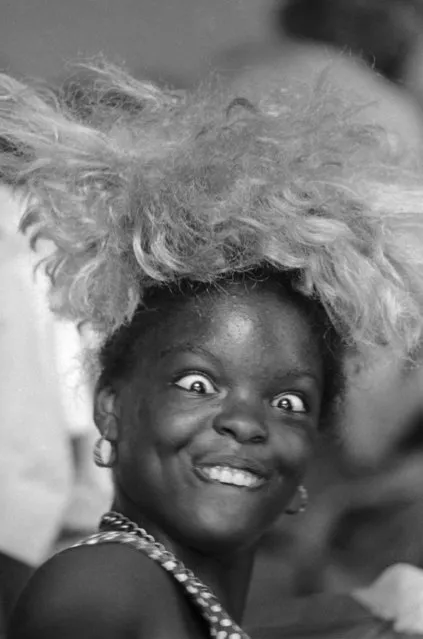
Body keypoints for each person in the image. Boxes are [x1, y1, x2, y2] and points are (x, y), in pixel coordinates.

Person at [2, 61, 423, 639]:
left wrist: (360, 610)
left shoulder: (161, 594)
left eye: (290, 401)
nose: (246, 422)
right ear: (111, 406)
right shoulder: (101, 590)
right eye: (198, 384)